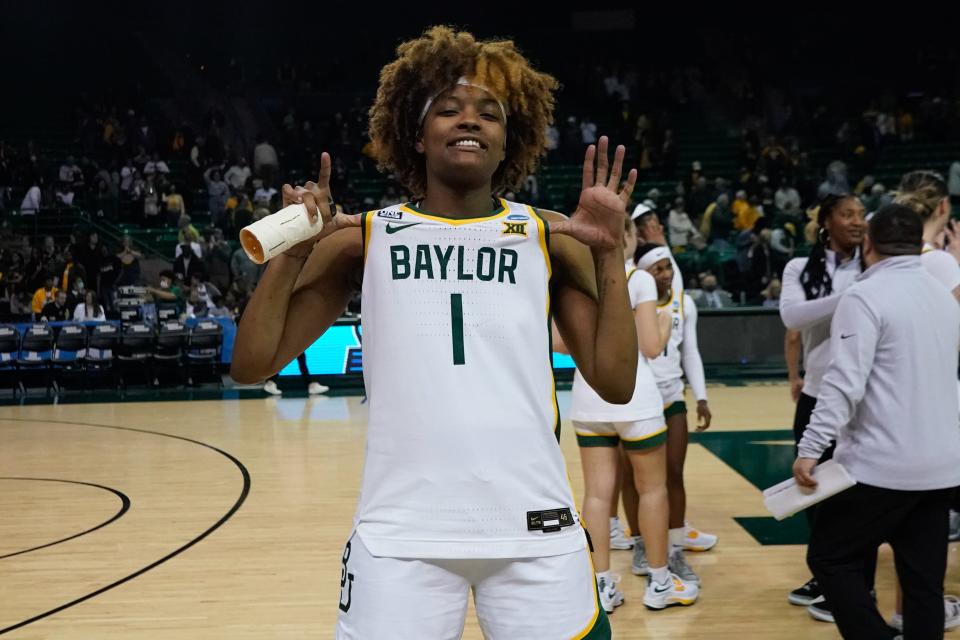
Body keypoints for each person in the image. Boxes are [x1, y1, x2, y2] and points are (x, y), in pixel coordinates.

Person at [231, 26, 642, 638]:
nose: (468, 121)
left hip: (534, 527)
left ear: (511, 142)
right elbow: (251, 364)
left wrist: (610, 258)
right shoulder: (362, 235)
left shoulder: (550, 235)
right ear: (416, 136)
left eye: (490, 114)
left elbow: (614, 381)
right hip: (401, 531)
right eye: (447, 110)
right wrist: (291, 254)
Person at [794, 203, 960, 639]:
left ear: (868, 243)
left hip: (882, 466)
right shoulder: (943, 297)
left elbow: (843, 382)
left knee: (830, 558)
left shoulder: (865, 296)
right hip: (941, 467)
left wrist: (811, 447)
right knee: (923, 584)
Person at [566, 219, 699, 615]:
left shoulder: (571, 278)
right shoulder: (638, 279)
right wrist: (661, 318)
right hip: (634, 395)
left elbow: (559, 341)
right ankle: (660, 581)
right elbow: (652, 347)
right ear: (628, 239)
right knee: (652, 489)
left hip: (588, 395)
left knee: (596, 494)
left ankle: (600, 585)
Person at [779, 194, 867, 622]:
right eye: (848, 214)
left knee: (857, 493)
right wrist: (852, 296)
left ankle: (852, 580)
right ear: (826, 221)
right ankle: (825, 573)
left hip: (864, 397)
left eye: (862, 215)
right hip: (817, 394)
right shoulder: (800, 268)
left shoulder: (873, 265)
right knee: (813, 489)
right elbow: (793, 317)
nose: (857, 221)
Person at [638, 243, 716, 564]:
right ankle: (642, 543)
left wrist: (701, 397)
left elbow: (690, 353)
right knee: (638, 479)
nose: (666, 274)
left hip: (672, 395)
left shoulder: (685, 305)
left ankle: (676, 546)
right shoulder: (632, 303)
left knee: (674, 472)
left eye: (668, 266)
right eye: (658, 269)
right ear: (642, 273)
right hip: (640, 398)